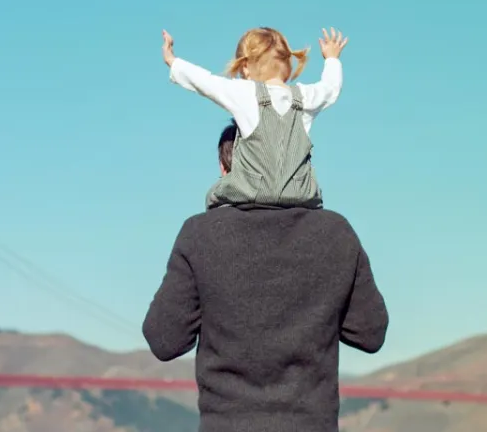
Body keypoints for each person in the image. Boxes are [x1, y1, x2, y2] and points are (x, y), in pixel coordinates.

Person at [142, 123, 389, 432]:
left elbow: (164, 340)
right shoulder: (336, 232)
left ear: (224, 168)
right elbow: (370, 333)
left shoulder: (200, 234)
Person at [161, 26, 348, 210]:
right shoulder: (305, 98)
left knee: (215, 194)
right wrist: (332, 59)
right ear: (288, 66)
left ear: (245, 68)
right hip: (298, 193)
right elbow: (330, 87)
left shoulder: (246, 93)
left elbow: (206, 82)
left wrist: (173, 61)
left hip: (251, 192)